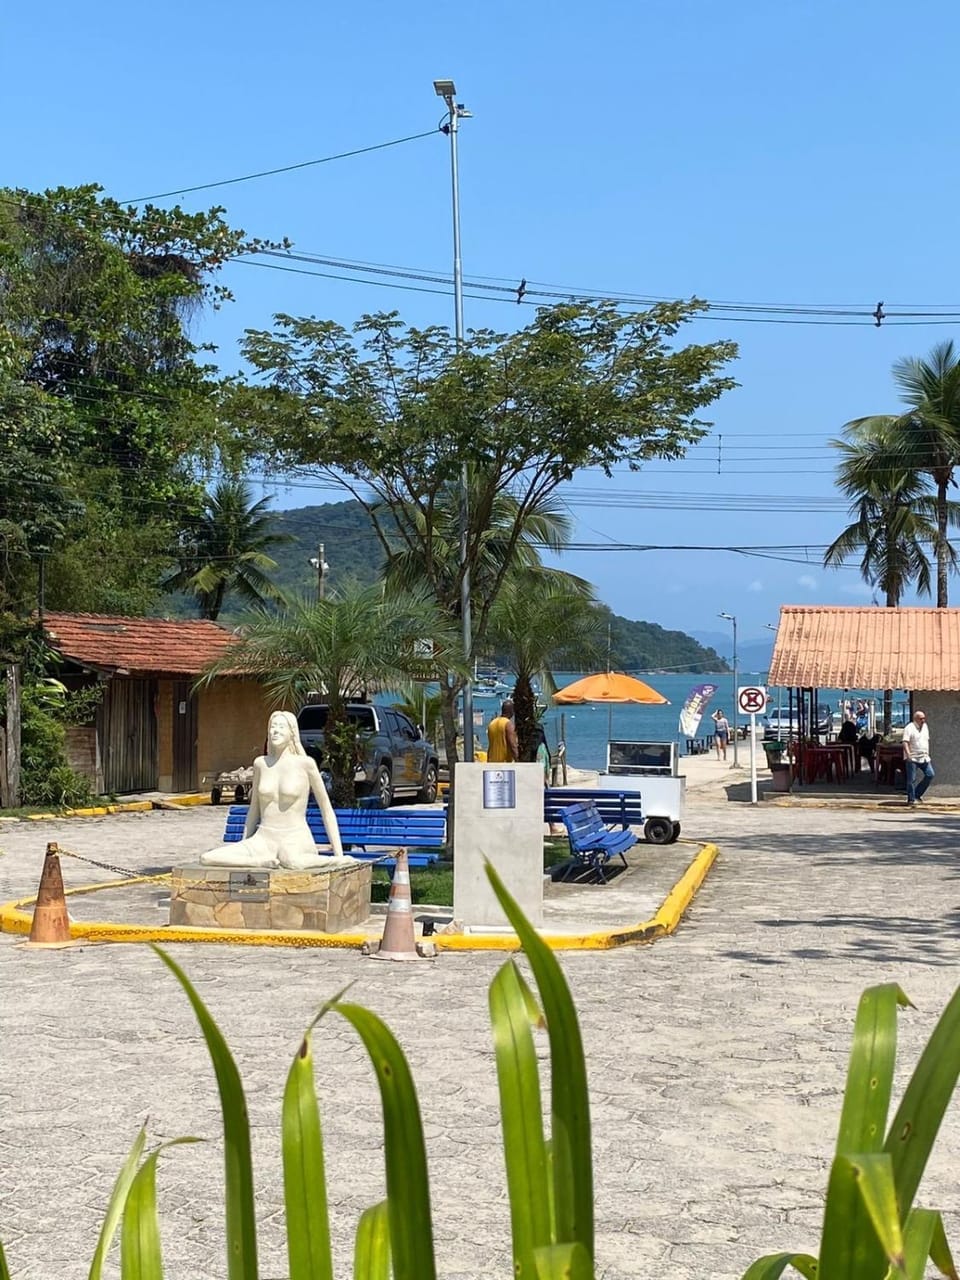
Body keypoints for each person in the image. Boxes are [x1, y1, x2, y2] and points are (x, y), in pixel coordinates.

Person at [201, 711, 348, 869]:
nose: (275, 731)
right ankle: (257, 862)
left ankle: (331, 861)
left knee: (292, 861)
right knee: (208, 858)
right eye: (273, 726)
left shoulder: (306, 764)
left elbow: (326, 810)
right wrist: (245, 843)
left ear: (292, 732)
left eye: (281, 727)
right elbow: (254, 810)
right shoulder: (261, 764)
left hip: (295, 838)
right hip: (264, 838)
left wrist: (338, 856)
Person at [902, 709, 934, 806]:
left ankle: (917, 794)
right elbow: (905, 742)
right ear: (916, 719)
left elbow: (926, 740)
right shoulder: (909, 728)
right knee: (911, 779)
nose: (923, 720)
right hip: (913, 757)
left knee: (930, 774)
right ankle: (911, 799)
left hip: (924, 757)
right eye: (921, 718)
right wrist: (908, 755)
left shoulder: (925, 727)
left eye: (924, 718)